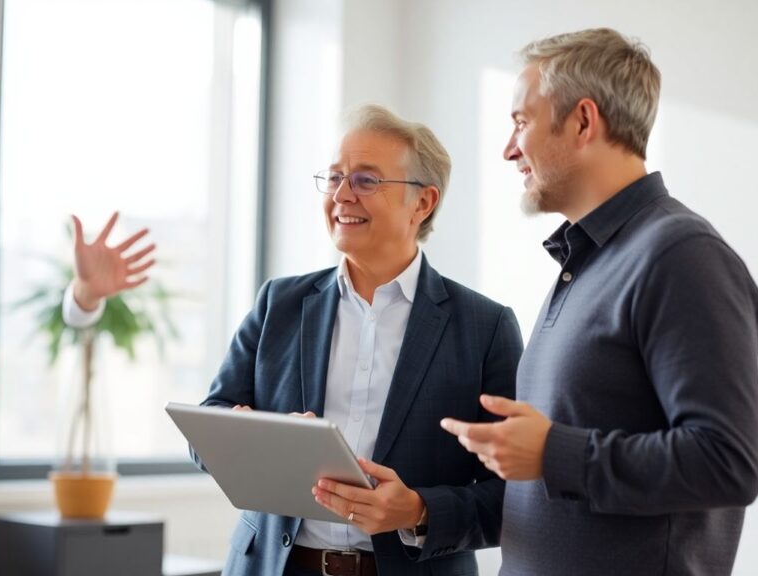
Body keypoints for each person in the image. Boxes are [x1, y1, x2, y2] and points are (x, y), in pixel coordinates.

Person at [64, 105, 524, 576]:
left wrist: (418, 511)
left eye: (366, 180)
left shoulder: (484, 327)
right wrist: (244, 436)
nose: (342, 195)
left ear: (422, 203)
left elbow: (513, 497)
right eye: (333, 178)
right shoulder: (278, 303)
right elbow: (210, 424)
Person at [440, 28, 758, 576]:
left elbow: (726, 462)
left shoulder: (681, 256)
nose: (509, 148)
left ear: (584, 121)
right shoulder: (587, 260)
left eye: (521, 121)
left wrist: (553, 453)